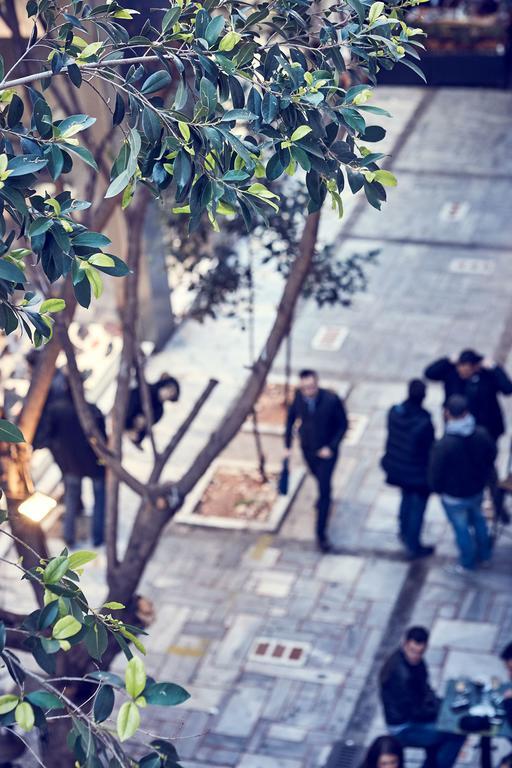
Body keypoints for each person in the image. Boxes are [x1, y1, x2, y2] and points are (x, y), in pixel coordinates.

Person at [425, 349, 512, 522]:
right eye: (459, 367)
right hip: (457, 435)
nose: (461, 372)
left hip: (484, 433)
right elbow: (430, 373)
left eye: (465, 368)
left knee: (489, 472)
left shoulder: (487, 376)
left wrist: (495, 367)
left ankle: (498, 507)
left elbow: (507, 388)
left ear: (474, 367)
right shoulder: (452, 374)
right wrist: (448, 360)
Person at [380, 626, 465, 768]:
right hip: (404, 727)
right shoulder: (400, 675)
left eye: (420, 652)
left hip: (415, 717)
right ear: (405, 644)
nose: (416, 656)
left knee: (445, 725)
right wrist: (441, 712)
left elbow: (425, 689)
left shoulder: (415, 663)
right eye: (412, 651)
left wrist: (439, 705)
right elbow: (413, 711)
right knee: (455, 733)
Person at [35, 381, 106, 548]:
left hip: (70, 465)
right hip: (94, 464)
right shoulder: (92, 410)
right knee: (99, 500)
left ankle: (69, 536)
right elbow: (103, 439)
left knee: (71, 499)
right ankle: (98, 537)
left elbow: (45, 438)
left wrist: (61, 455)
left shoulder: (55, 410)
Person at [429, 394, 495, 573]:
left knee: (462, 529)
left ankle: (467, 562)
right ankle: (485, 555)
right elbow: (491, 455)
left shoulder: (444, 445)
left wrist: (438, 489)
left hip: (454, 496)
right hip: (476, 489)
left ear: (447, 413)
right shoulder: (481, 434)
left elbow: (435, 473)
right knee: (479, 521)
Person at [284, 369, 348, 553]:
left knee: (325, 488)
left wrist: (332, 447)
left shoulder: (331, 400)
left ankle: (321, 534)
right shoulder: (298, 398)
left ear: (317, 384)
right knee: (316, 476)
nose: (308, 392)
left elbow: (342, 425)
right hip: (308, 449)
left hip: (327, 452)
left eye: (311, 387)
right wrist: (287, 445)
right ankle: (323, 499)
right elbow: (290, 420)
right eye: (305, 388)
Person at [381, 379, 435, 559]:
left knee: (405, 499)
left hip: (397, 468)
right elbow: (429, 448)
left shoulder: (394, 413)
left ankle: (403, 532)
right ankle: (413, 544)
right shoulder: (424, 421)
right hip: (417, 472)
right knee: (417, 507)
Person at [125, 373, 180, 446]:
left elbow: (147, 426)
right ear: (164, 385)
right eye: (169, 389)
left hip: (132, 430)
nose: (168, 394)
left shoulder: (159, 412)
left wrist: (142, 423)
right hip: (124, 414)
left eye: (171, 395)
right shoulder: (146, 388)